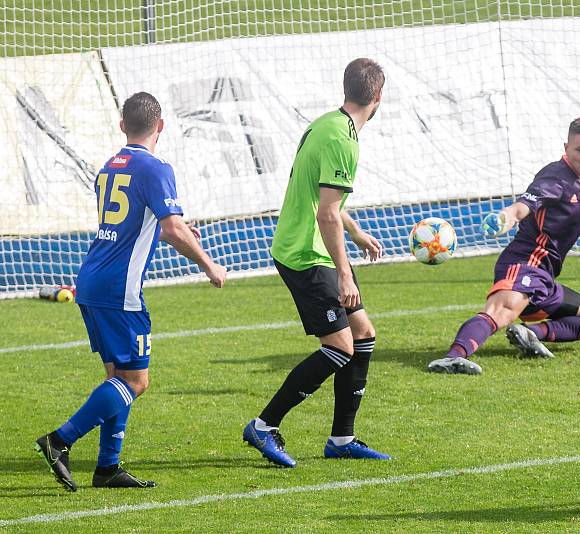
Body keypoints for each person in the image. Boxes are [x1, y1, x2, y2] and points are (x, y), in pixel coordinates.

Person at [35, 92, 227, 491]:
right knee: (136, 382)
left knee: (116, 377)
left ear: (122, 125)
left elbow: (136, 223)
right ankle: (59, 441)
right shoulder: (156, 167)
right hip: (119, 289)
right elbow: (172, 228)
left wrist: (165, 224)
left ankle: (107, 468)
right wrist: (210, 265)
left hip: (92, 279)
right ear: (161, 126)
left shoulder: (108, 168)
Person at [428, 116, 580, 375]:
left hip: (545, 277)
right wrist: (504, 218)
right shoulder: (555, 177)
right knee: (502, 312)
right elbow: (522, 207)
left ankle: (530, 334)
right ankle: (453, 357)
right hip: (524, 265)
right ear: (566, 148)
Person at [242, 58, 390, 468]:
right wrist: (345, 274)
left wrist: (357, 233)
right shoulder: (343, 140)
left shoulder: (326, 124)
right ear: (379, 96)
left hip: (317, 249)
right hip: (306, 255)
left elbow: (325, 201)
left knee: (363, 335)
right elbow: (326, 212)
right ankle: (265, 424)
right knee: (341, 346)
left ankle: (342, 438)